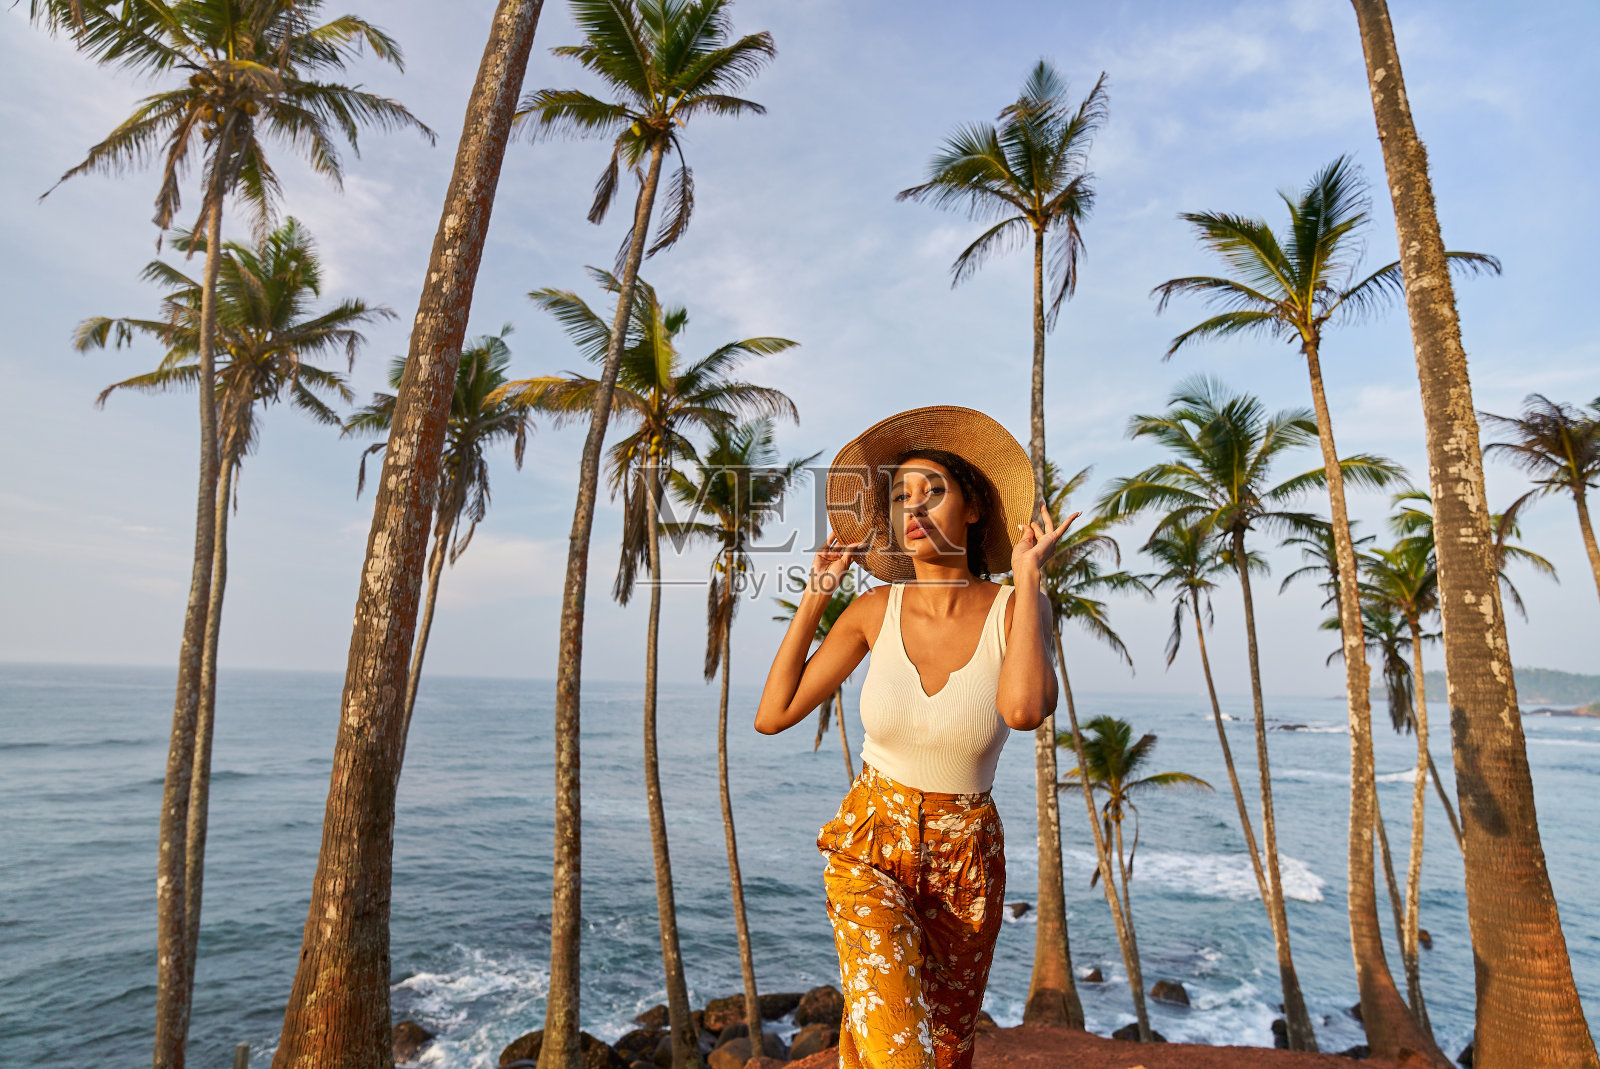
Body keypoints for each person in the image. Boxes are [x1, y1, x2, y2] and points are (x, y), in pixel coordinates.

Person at [754, 405, 1078, 1069]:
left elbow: (1023, 710)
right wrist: (819, 593)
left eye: (933, 491)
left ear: (976, 509)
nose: (914, 506)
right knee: (901, 1046)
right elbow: (774, 712)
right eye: (901, 495)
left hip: (968, 859)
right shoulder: (874, 609)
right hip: (871, 841)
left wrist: (1027, 578)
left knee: (946, 1045)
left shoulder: (1019, 607)